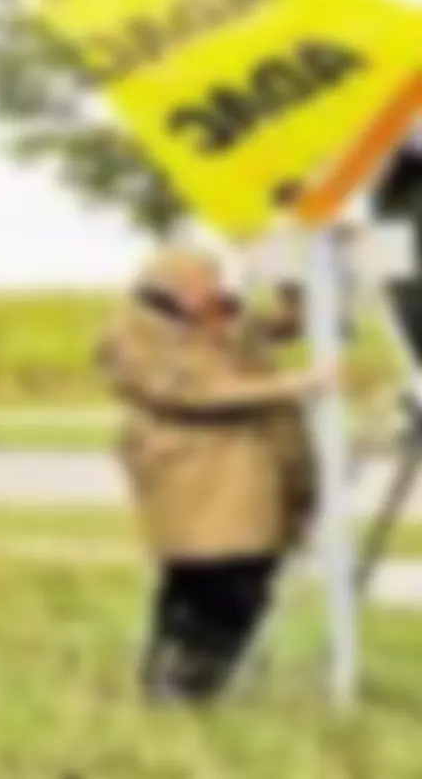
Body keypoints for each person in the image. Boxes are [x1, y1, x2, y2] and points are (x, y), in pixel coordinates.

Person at [97, 244, 324, 705]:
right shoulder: (133, 333)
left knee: (227, 576)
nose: (217, 293)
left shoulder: (218, 318)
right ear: (172, 288)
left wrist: (294, 273)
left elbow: (283, 324)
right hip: (195, 476)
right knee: (218, 578)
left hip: (247, 473)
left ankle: (177, 686)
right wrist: (293, 385)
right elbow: (189, 390)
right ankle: (185, 690)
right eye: (205, 285)